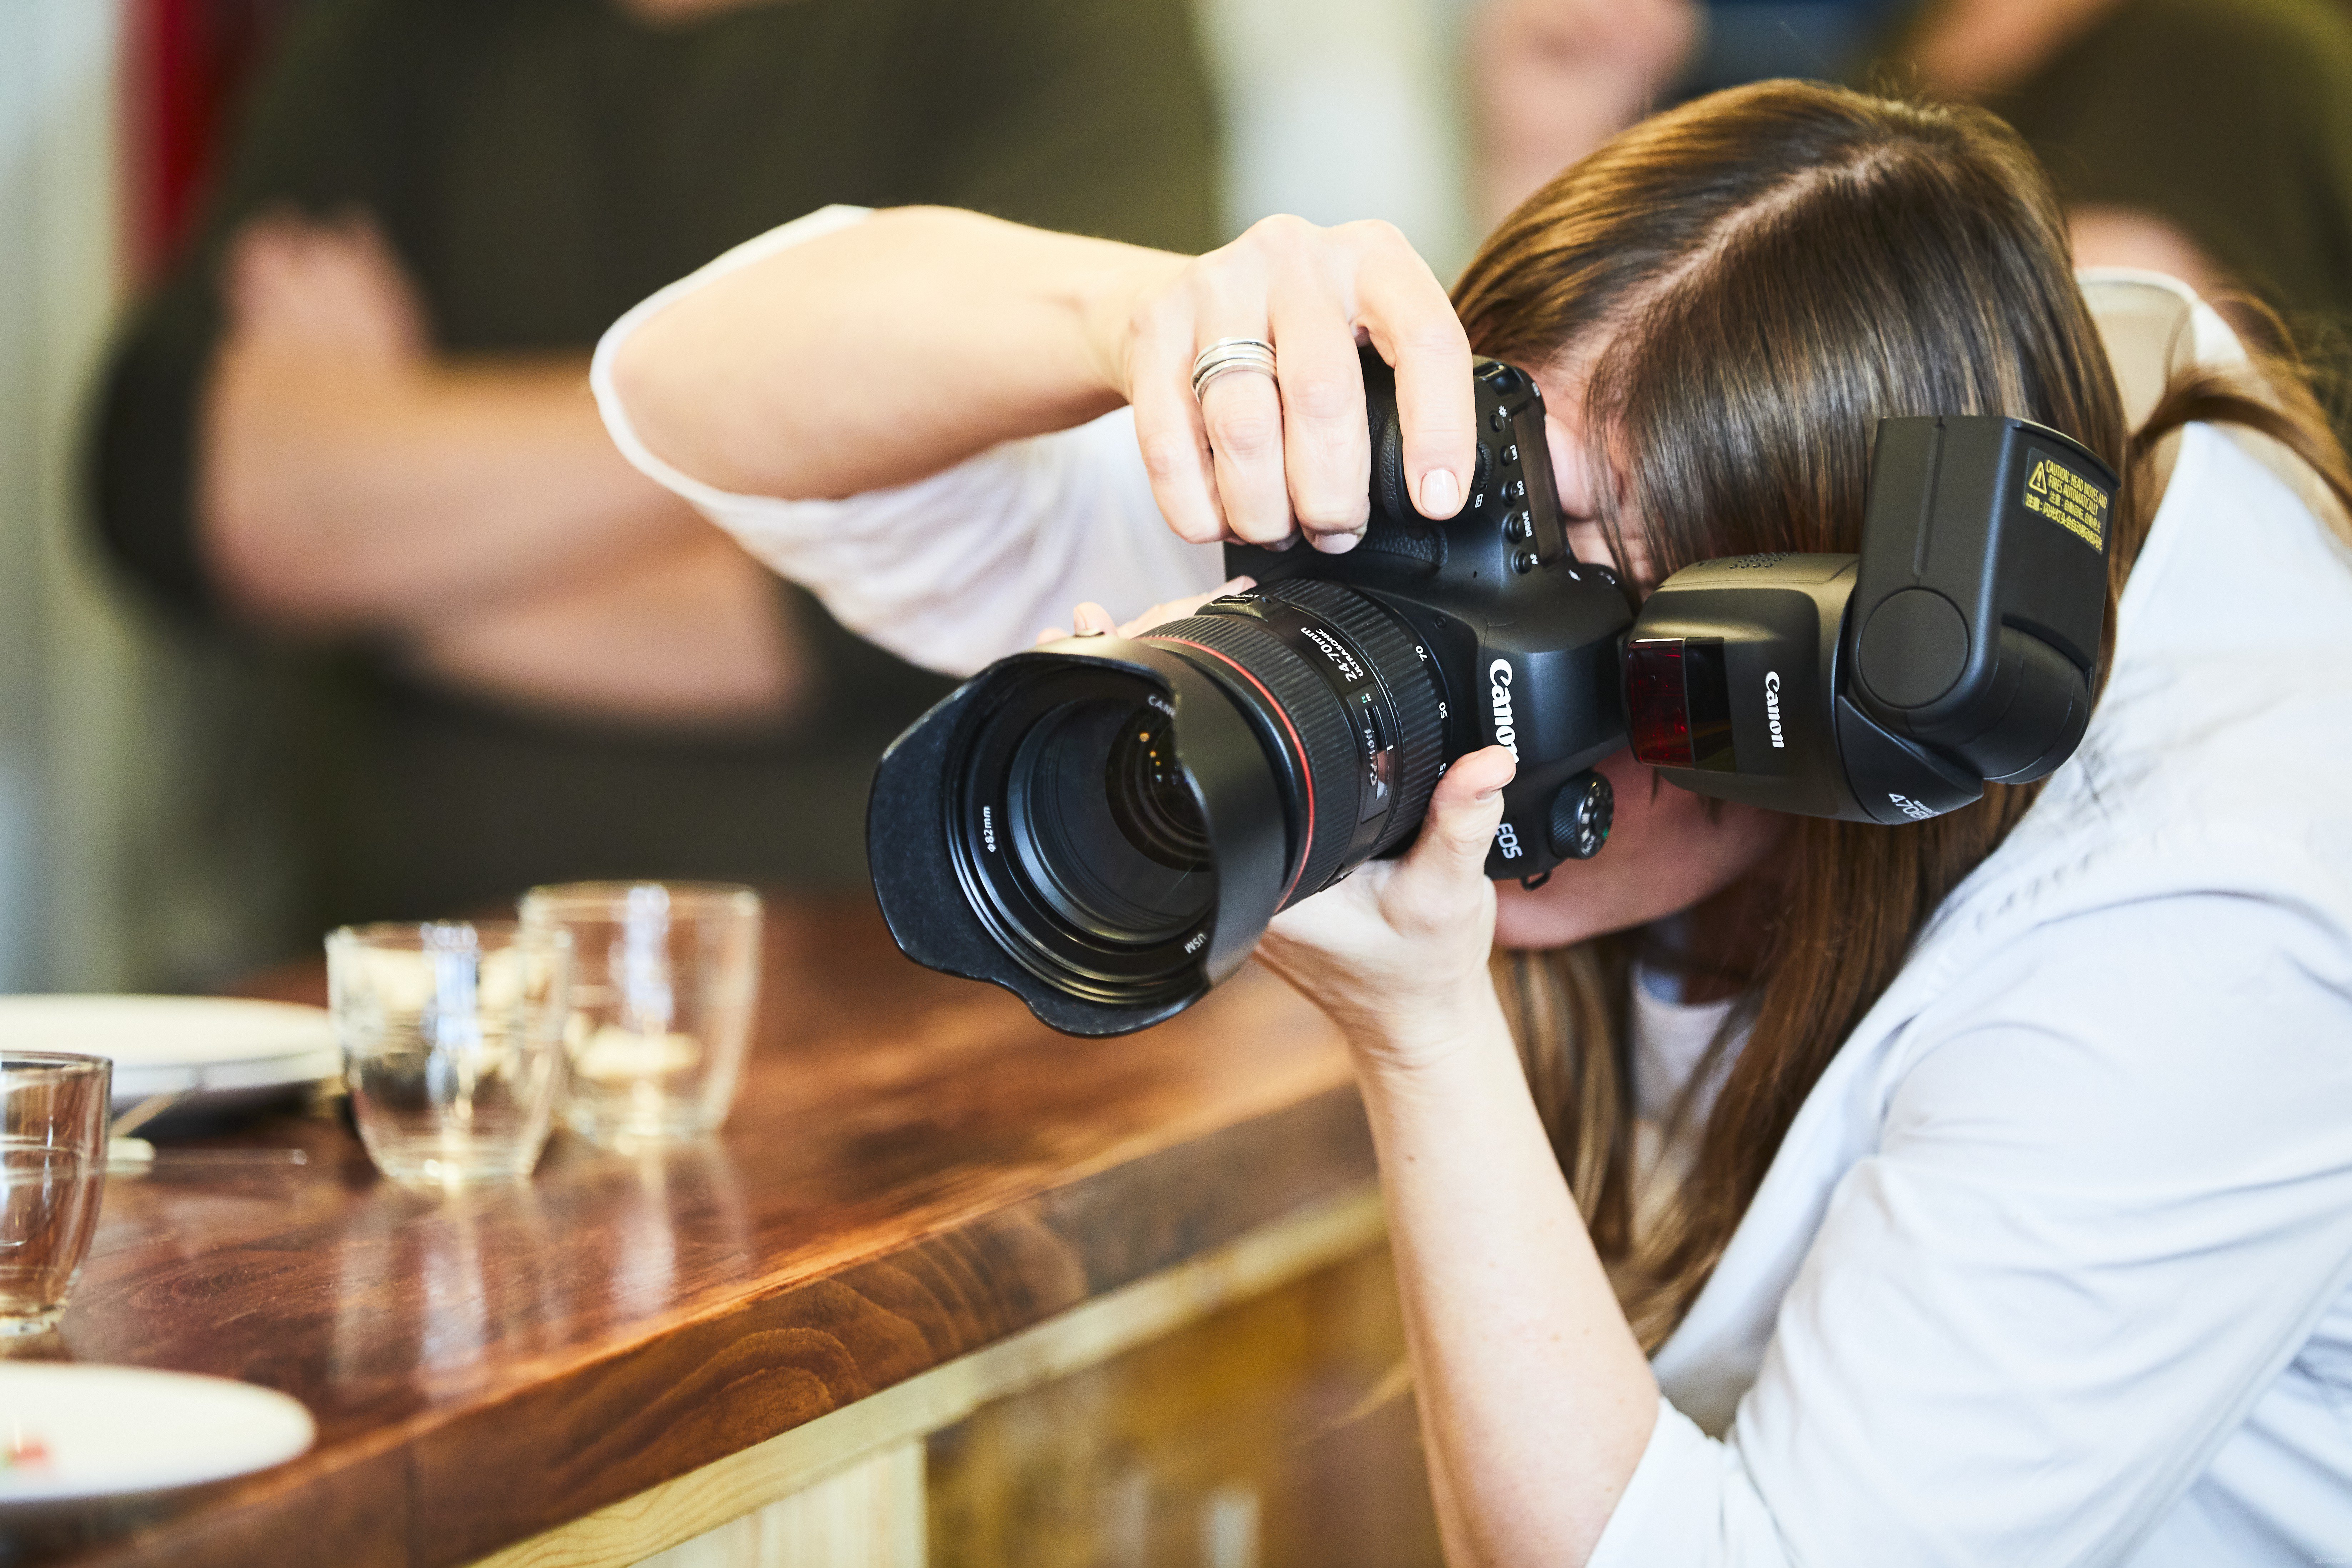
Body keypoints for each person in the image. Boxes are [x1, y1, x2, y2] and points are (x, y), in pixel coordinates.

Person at [593, 84, 2352, 1563]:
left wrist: (1424, 1033)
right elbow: (696, 398)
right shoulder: (1441, 560)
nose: (1478, 678)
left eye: (1607, 628)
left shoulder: (2213, 910)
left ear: (1853, 706)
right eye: (1493, 551)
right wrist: (1148, 327)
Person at [89, 0, 1218, 940]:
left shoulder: (1062, 22)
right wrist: (828, 427)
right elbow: (174, 496)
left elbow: (970, 578)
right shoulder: (394, 32)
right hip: (416, 1012)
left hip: (899, 997)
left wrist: (380, 558)